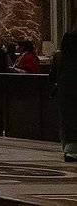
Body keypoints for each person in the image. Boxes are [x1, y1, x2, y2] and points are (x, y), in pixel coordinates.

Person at [51, 31, 77, 161]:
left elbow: (52, 76)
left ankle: (70, 149)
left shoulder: (59, 56)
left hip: (65, 92)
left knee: (68, 119)